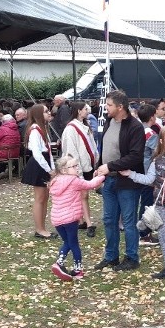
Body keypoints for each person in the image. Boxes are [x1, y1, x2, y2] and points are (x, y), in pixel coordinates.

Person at [122, 126, 165, 279]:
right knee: (163, 233)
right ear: (162, 141)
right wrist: (131, 174)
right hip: (161, 203)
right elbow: (149, 180)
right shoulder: (156, 161)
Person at [93, 90, 145, 272]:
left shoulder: (135, 127)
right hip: (109, 180)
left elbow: (135, 156)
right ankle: (111, 256)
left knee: (129, 221)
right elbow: (105, 148)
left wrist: (110, 166)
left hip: (127, 182)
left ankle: (131, 257)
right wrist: (100, 167)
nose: (105, 108)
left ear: (120, 107)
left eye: (109, 105)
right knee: (109, 219)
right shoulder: (108, 122)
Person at [49, 155, 106, 281]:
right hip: (70, 218)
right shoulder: (73, 181)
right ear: (64, 170)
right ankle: (76, 269)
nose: (77, 168)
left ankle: (60, 263)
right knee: (73, 243)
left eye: (77, 165)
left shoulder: (55, 181)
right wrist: (102, 176)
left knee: (67, 242)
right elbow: (90, 184)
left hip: (57, 219)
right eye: (73, 166)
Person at [60, 101, 100, 238]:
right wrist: (76, 170)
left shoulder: (84, 126)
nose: (87, 111)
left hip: (86, 164)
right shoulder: (71, 129)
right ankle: (88, 223)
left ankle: (81, 220)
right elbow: (71, 151)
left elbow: (92, 145)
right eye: (85, 109)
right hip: (79, 167)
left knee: (82, 195)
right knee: (83, 195)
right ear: (78, 111)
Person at [20, 104, 57, 239]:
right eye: (46, 111)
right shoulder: (35, 130)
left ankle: (42, 227)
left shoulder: (43, 128)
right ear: (38, 114)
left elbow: (48, 152)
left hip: (44, 163)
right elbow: (37, 153)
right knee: (40, 198)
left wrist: (52, 168)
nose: (49, 113)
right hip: (38, 165)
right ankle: (39, 229)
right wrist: (48, 169)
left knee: (45, 197)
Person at [135, 104, 160, 246]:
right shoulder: (150, 134)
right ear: (152, 117)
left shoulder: (138, 130)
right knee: (147, 204)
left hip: (139, 172)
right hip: (147, 174)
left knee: (146, 203)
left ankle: (147, 230)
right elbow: (155, 154)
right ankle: (144, 234)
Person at [0, 114, 21, 178]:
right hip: (15, 152)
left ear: (4, 121)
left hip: (4, 152)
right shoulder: (16, 128)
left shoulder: (2, 129)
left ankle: (0, 171)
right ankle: (3, 171)